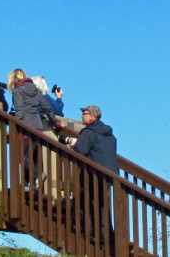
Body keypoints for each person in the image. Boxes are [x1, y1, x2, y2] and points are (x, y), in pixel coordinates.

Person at [71, 105, 117, 252]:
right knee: (103, 208)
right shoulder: (109, 134)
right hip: (108, 176)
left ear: (91, 116)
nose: (81, 117)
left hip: (92, 176)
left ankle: (96, 236)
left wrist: (73, 146)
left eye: (84, 114)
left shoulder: (89, 132)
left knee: (86, 203)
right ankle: (109, 241)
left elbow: (80, 151)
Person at [7, 69, 63, 187]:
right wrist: (55, 122)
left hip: (26, 128)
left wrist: (15, 124)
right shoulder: (36, 90)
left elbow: (20, 112)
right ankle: (34, 184)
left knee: (20, 157)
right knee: (35, 159)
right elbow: (47, 108)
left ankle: (37, 176)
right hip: (38, 128)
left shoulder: (18, 91)